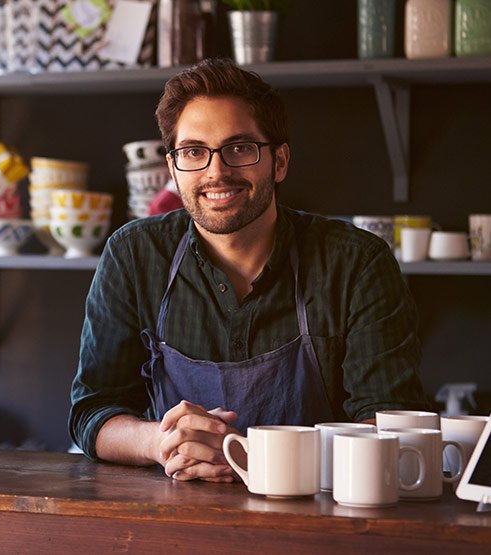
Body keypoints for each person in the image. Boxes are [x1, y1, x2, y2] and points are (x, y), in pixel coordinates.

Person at [69, 58, 429, 483]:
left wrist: (260, 457)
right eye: (193, 152)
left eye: (240, 148)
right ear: (173, 168)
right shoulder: (133, 255)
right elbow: (92, 412)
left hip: (318, 525)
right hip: (172, 523)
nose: (216, 171)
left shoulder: (355, 262)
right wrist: (158, 441)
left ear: (279, 162)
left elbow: (391, 425)